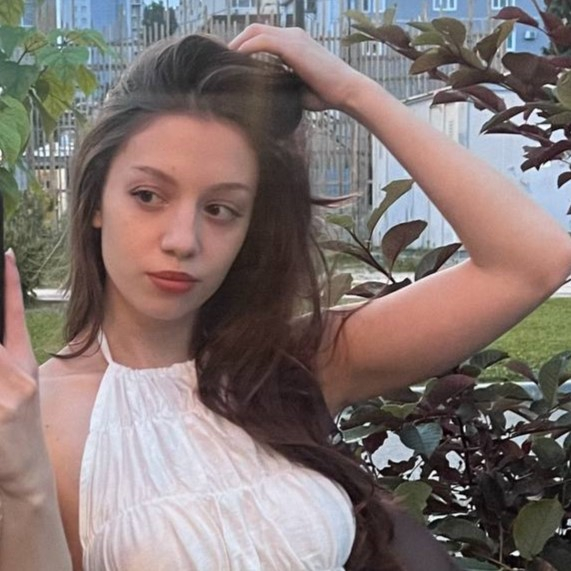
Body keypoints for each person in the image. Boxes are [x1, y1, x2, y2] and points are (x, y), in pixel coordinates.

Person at [1, 24, 570, 571]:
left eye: (220, 209)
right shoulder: (32, 417)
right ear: (96, 202)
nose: (182, 240)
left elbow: (532, 262)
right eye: (148, 195)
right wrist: (25, 486)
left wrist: (354, 92)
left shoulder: (292, 363)